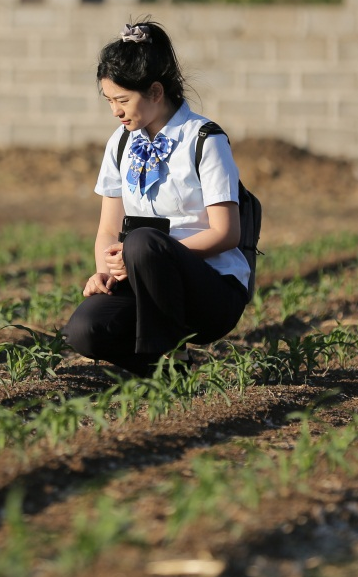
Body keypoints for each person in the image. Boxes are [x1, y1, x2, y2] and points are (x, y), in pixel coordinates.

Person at [62, 20, 249, 376]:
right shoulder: (119, 143)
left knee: (144, 241)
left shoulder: (205, 140)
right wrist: (106, 273)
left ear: (156, 92)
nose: (115, 111)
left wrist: (154, 254)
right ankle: (165, 372)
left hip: (211, 290)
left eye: (122, 100)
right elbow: (108, 229)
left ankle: (170, 355)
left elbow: (227, 233)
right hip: (142, 278)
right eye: (109, 100)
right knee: (84, 331)